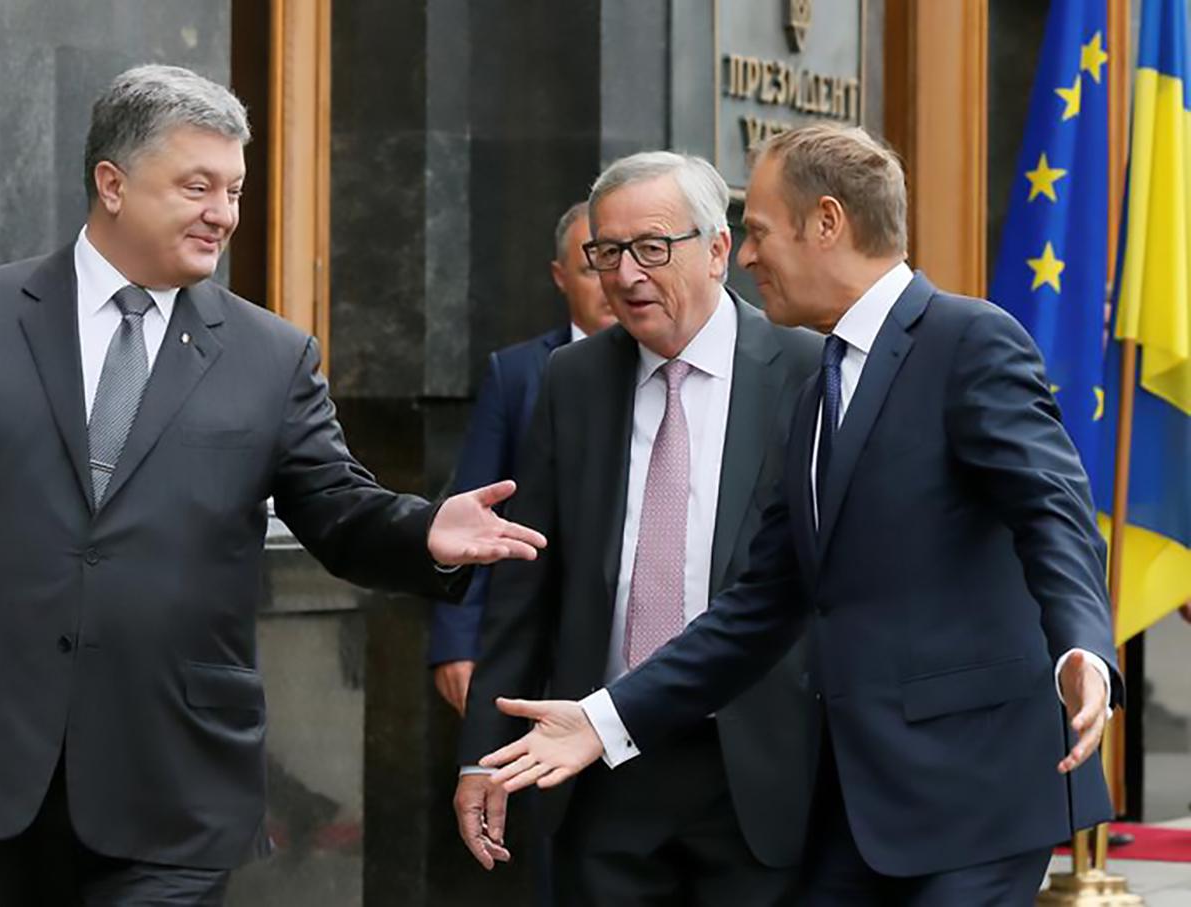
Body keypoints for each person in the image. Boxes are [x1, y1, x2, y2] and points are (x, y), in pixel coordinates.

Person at [0, 64, 544, 906]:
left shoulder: (272, 355)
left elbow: (336, 505)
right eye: (198, 185)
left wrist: (423, 530)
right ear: (112, 183)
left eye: (236, 190)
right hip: (7, 747)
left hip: (179, 759)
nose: (225, 214)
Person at [480, 124, 1121, 906]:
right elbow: (762, 602)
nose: (746, 258)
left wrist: (1083, 646)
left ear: (826, 223)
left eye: (756, 232)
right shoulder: (821, 384)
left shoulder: (969, 339)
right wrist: (601, 720)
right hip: (858, 805)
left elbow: (1053, 508)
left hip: (975, 793)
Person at [456, 152, 821, 906]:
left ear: (719, 250)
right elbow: (525, 584)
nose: (625, 275)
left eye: (652, 248)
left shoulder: (806, 370)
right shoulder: (574, 378)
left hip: (760, 764)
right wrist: (480, 759)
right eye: (607, 252)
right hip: (603, 768)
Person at [429, 199, 615, 716]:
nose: (610, 280)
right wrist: (455, 640)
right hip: (537, 640)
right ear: (560, 277)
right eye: (590, 267)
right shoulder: (517, 374)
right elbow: (475, 508)